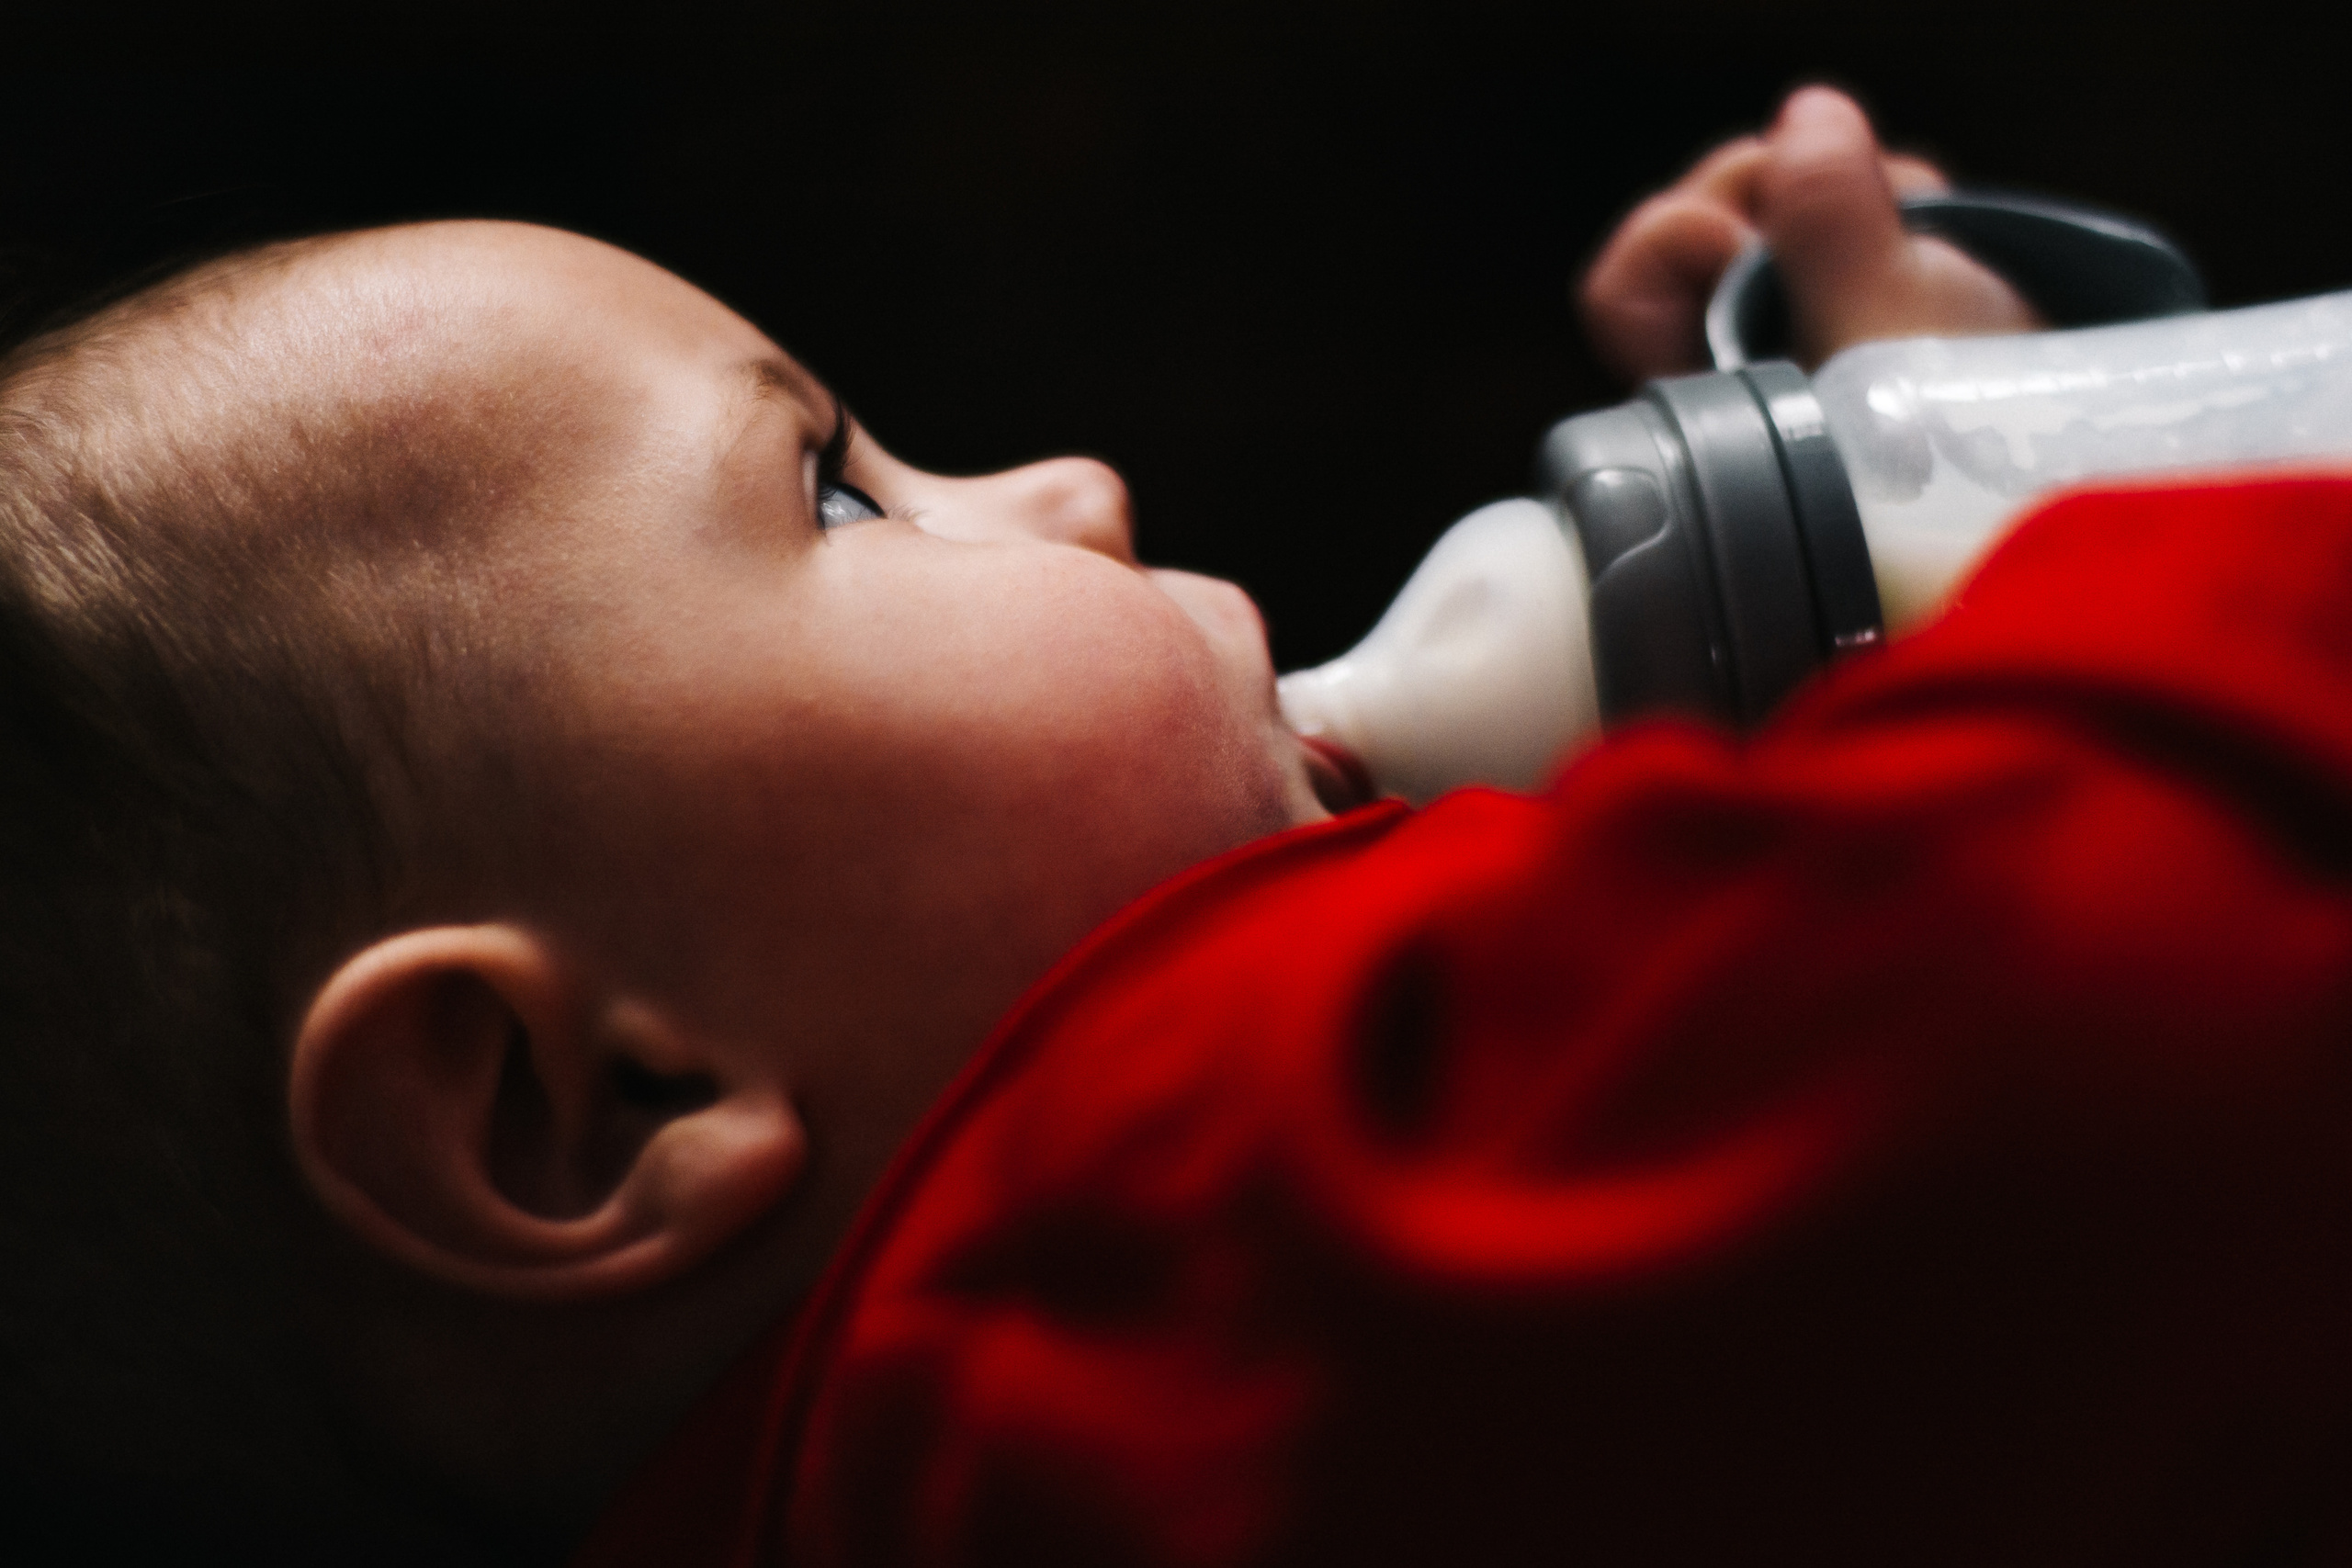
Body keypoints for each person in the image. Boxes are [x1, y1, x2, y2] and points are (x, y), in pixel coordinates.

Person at [3, 85, 2342, 1565]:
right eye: (837, 494)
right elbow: (2081, 981)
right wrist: (2127, 554)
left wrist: (1935, 479)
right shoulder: (1132, 1275)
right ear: (591, 1102)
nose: (1070, 490)